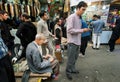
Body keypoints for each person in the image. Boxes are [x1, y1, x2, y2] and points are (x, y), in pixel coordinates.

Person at [66, 1, 90, 80]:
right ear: (78, 8)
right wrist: (82, 30)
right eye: (83, 9)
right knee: (70, 59)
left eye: (84, 10)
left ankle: (72, 69)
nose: (83, 11)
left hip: (77, 41)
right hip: (72, 42)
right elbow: (70, 30)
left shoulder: (79, 18)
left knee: (75, 58)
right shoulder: (71, 17)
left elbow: (77, 29)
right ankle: (68, 72)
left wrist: (83, 30)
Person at [0, 15, 15, 82]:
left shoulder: (3, 24)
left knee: (10, 76)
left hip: (5, 55)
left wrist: (6, 49)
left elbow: (1, 40)